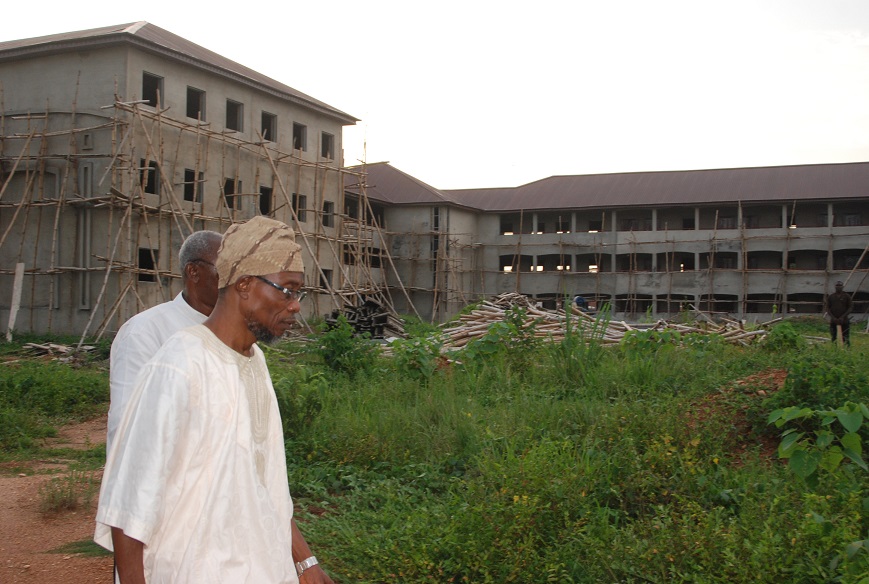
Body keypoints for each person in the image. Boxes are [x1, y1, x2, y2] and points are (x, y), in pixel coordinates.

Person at [95, 216, 333, 584]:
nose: (295, 306)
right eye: (287, 290)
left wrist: (304, 562)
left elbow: (266, 481)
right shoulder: (180, 363)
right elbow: (129, 507)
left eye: (299, 293)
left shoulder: (256, 363)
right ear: (245, 286)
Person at [106, 230, 222, 453]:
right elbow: (127, 426)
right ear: (194, 272)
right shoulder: (145, 332)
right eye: (225, 269)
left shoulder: (234, 335)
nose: (234, 280)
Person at [825, 280, 852, 346]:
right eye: (837, 286)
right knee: (833, 337)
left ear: (843, 287)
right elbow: (827, 308)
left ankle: (847, 350)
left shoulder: (847, 296)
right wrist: (833, 317)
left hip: (844, 320)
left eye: (840, 286)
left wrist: (842, 317)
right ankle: (834, 349)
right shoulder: (831, 297)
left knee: (845, 337)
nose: (838, 287)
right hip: (834, 320)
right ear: (835, 287)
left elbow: (850, 308)